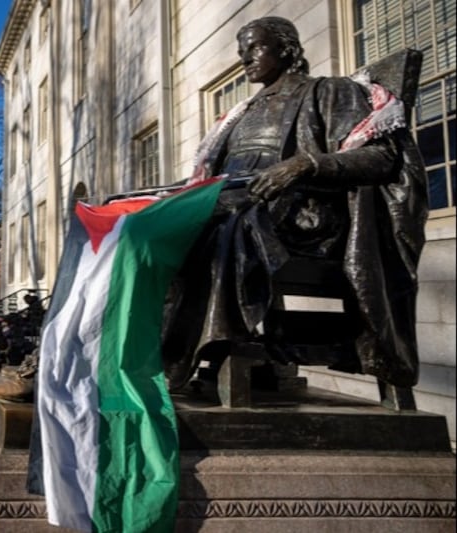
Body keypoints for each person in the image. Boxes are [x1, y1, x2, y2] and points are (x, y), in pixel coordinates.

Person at [161, 16, 427, 390]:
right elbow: (208, 180)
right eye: (241, 51)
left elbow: (382, 157)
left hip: (304, 217)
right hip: (237, 203)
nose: (244, 58)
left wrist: (304, 164)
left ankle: (187, 357)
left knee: (224, 226)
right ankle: (161, 355)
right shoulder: (240, 114)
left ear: (287, 48)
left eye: (255, 47)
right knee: (159, 226)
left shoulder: (329, 91)